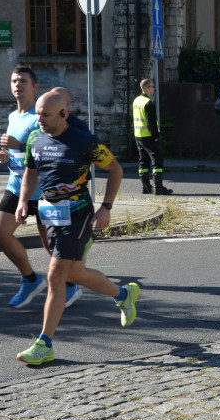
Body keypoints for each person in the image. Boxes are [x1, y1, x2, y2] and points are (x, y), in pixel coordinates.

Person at [14, 91, 139, 365]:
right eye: (38, 114)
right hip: (47, 214)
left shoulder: (84, 141)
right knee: (76, 273)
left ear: (64, 114)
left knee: (56, 278)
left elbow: (116, 170)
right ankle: (123, 294)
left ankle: (44, 345)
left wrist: (106, 206)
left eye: (46, 115)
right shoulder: (35, 139)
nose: (40, 120)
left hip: (77, 215)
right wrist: (23, 201)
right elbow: (31, 173)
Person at [0, 66, 57, 308]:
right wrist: (6, 157)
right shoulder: (13, 117)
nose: (17, 85)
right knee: (0, 233)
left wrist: (19, 146)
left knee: (49, 244)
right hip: (15, 187)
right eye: (14, 81)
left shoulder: (39, 116)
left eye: (22, 81)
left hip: (42, 191)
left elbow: (48, 152)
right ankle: (30, 279)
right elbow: (18, 157)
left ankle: (70, 285)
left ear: (35, 87)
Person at [132, 78, 172, 195]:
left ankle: (146, 188)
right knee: (157, 161)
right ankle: (158, 188)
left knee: (143, 161)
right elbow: (151, 122)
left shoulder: (136, 101)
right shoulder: (148, 104)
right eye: (153, 87)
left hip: (138, 136)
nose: (154, 89)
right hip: (148, 136)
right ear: (148, 88)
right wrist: (156, 136)